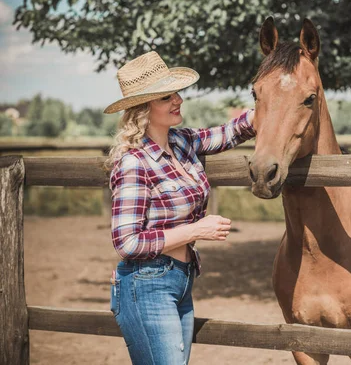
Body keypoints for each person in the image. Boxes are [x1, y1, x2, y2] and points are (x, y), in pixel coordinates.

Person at [103, 51, 255, 365]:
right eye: (166, 97)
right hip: (147, 283)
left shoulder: (182, 143)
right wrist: (197, 230)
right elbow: (127, 242)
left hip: (181, 278)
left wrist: (264, 110)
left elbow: (227, 134)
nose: (178, 100)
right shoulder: (134, 162)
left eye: (176, 93)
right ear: (143, 108)